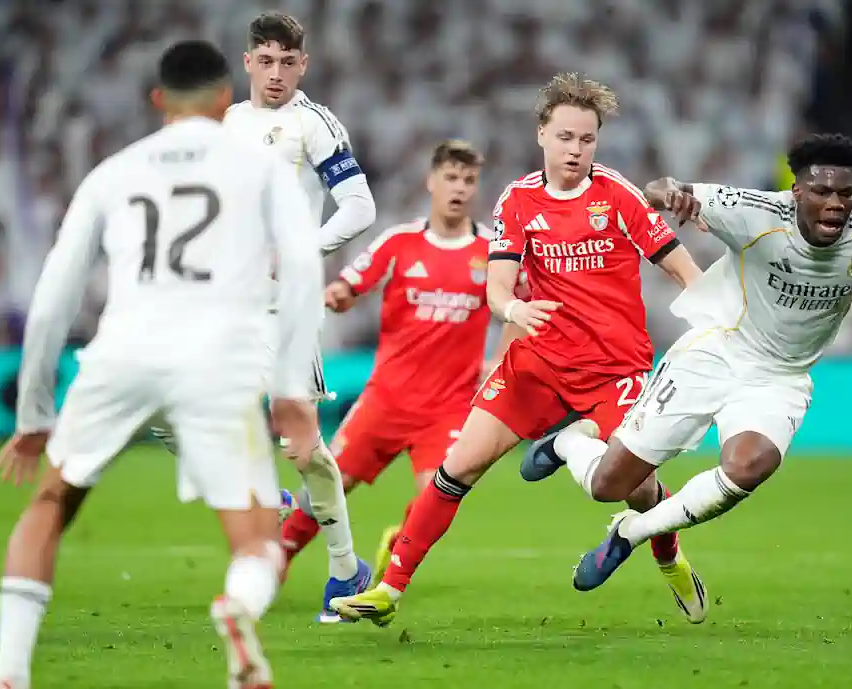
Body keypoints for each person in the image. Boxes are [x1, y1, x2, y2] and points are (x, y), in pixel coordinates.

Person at [0, 40, 323, 689]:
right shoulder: (258, 169)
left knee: (51, 502)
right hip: (217, 360)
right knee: (257, 542)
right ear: (227, 99)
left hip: (122, 350)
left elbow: (54, 295)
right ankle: (236, 612)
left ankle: (8, 673)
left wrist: (35, 414)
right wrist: (290, 392)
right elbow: (305, 265)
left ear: (157, 100)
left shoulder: (113, 172)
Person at [331, 73, 707, 627]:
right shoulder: (519, 200)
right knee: (457, 468)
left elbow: (681, 266)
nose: (575, 150)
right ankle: (387, 589)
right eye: (565, 137)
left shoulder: (617, 195)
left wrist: (711, 321)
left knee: (633, 488)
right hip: (539, 363)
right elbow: (498, 286)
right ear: (542, 136)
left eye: (586, 139)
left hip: (615, 369)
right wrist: (513, 311)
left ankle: (668, 556)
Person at [523, 133, 852, 593]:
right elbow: (658, 187)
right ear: (796, 193)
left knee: (750, 466)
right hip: (718, 351)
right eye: (821, 192)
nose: (836, 204)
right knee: (608, 485)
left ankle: (631, 533)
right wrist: (669, 195)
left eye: (845, 193)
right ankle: (571, 441)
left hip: (781, 377)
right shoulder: (755, 212)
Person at [151, 10, 378, 609]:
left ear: (302, 65)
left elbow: (359, 206)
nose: (276, 73)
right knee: (169, 416)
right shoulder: (226, 124)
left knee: (304, 447)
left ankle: (346, 571)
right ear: (248, 62)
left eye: (288, 62)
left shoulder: (314, 124)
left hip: (289, 309)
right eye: (266, 60)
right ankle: (256, 491)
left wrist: (302, 248)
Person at [279, 139, 523, 621]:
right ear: (431, 182)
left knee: (442, 490)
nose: (458, 188)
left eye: (468, 180)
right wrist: (339, 294)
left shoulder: (492, 250)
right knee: (330, 484)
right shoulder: (400, 242)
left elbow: (517, 301)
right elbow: (353, 281)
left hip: (448, 409)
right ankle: (280, 555)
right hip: (386, 400)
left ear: (477, 188)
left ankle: (395, 553)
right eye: (450, 178)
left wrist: (499, 358)